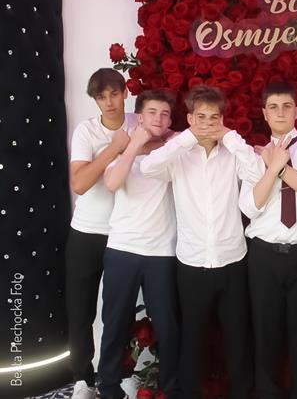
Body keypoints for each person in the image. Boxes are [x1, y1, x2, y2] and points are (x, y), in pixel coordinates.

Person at [140, 85, 261, 399]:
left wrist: (231, 137)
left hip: (232, 261)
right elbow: (148, 167)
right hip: (192, 264)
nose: (207, 123)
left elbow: (258, 172)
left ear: (222, 119)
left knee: (237, 339)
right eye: (201, 117)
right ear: (191, 118)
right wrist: (186, 139)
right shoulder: (178, 154)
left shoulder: (232, 153)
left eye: (214, 117)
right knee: (191, 339)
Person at [239, 81, 297, 399]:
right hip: (264, 255)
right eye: (273, 107)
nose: (280, 113)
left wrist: (278, 168)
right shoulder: (255, 155)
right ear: (265, 114)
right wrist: (270, 166)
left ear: (296, 111)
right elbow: (250, 207)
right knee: (265, 331)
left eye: (286, 106)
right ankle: (267, 393)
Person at [96, 89, 179, 399]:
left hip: (162, 253)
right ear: (140, 117)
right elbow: (112, 183)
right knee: (115, 323)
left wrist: (168, 142)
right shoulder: (121, 150)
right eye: (152, 112)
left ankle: (170, 389)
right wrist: (134, 144)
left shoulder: (175, 148)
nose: (159, 118)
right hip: (122, 250)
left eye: (165, 114)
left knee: (168, 326)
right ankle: (108, 388)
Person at [65, 68, 136, 399]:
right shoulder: (86, 131)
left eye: (114, 94)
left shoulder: (139, 123)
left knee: (120, 310)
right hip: (86, 232)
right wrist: (114, 148)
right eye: (101, 97)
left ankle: (122, 374)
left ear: (125, 93)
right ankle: (83, 379)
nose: (109, 103)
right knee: (81, 309)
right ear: (95, 100)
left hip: (125, 234)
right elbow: (79, 183)